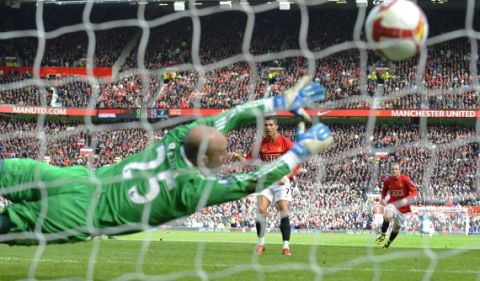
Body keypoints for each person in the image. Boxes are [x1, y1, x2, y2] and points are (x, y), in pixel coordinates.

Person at [0, 77, 332, 244]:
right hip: (81, 215)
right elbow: (249, 181)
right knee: (10, 225)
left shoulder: (180, 137)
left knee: (10, 170)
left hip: (78, 179)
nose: (227, 156)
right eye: (222, 155)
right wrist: (300, 152)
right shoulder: (191, 190)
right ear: (206, 161)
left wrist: (283, 99)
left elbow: (234, 113)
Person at [232, 117, 298, 256]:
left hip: (281, 180)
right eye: (265, 125)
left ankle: (286, 246)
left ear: (276, 127)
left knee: (283, 209)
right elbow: (249, 162)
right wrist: (239, 157)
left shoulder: (285, 143)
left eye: (270, 125)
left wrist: (285, 176)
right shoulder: (260, 144)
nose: (267, 127)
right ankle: (261, 244)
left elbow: (296, 163)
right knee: (261, 209)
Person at [375, 163, 417, 249]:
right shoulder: (388, 180)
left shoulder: (405, 179)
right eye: (392, 169)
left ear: (399, 170)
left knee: (396, 228)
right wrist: (383, 198)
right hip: (392, 204)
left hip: (403, 208)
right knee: (387, 216)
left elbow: (414, 191)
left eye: (396, 169)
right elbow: (384, 191)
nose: (394, 171)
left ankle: (389, 243)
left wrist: (407, 199)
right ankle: (382, 234)